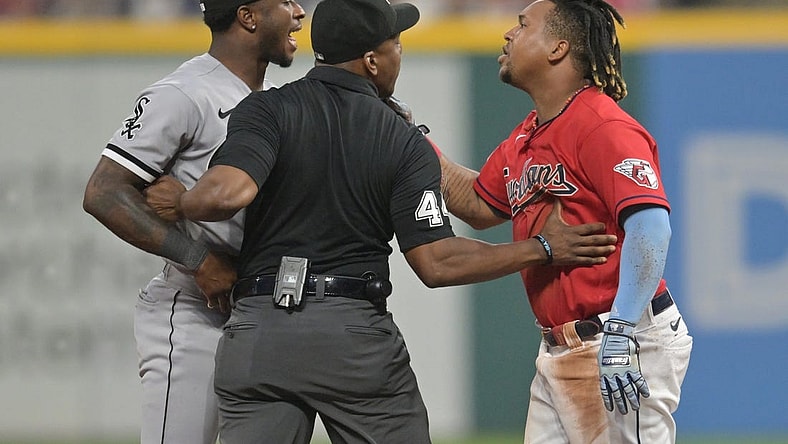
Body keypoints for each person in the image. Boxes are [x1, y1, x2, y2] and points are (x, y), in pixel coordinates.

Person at [142, 0, 618, 441]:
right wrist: (544, 248)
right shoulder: (400, 139)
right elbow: (437, 263)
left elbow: (227, 192)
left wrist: (181, 203)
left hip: (259, 334)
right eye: (396, 44)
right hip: (350, 340)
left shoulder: (265, 109)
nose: (398, 55)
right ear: (372, 61)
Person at [436, 1, 693, 442]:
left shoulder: (601, 125)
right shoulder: (526, 137)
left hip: (621, 338)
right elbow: (479, 206)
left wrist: (621, 331)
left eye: (522, 25)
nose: (508, 35)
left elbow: (652, 228)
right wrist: (412, 142)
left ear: (558, 47)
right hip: (560, 349)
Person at [81, 1, 306, 443]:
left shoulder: (274, 100)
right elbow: (103, 192)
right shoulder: (184, 92)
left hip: (263, 310)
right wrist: (199, 260)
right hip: (196, 311)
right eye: (285, 1)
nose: (299, 11)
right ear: (248, 16)